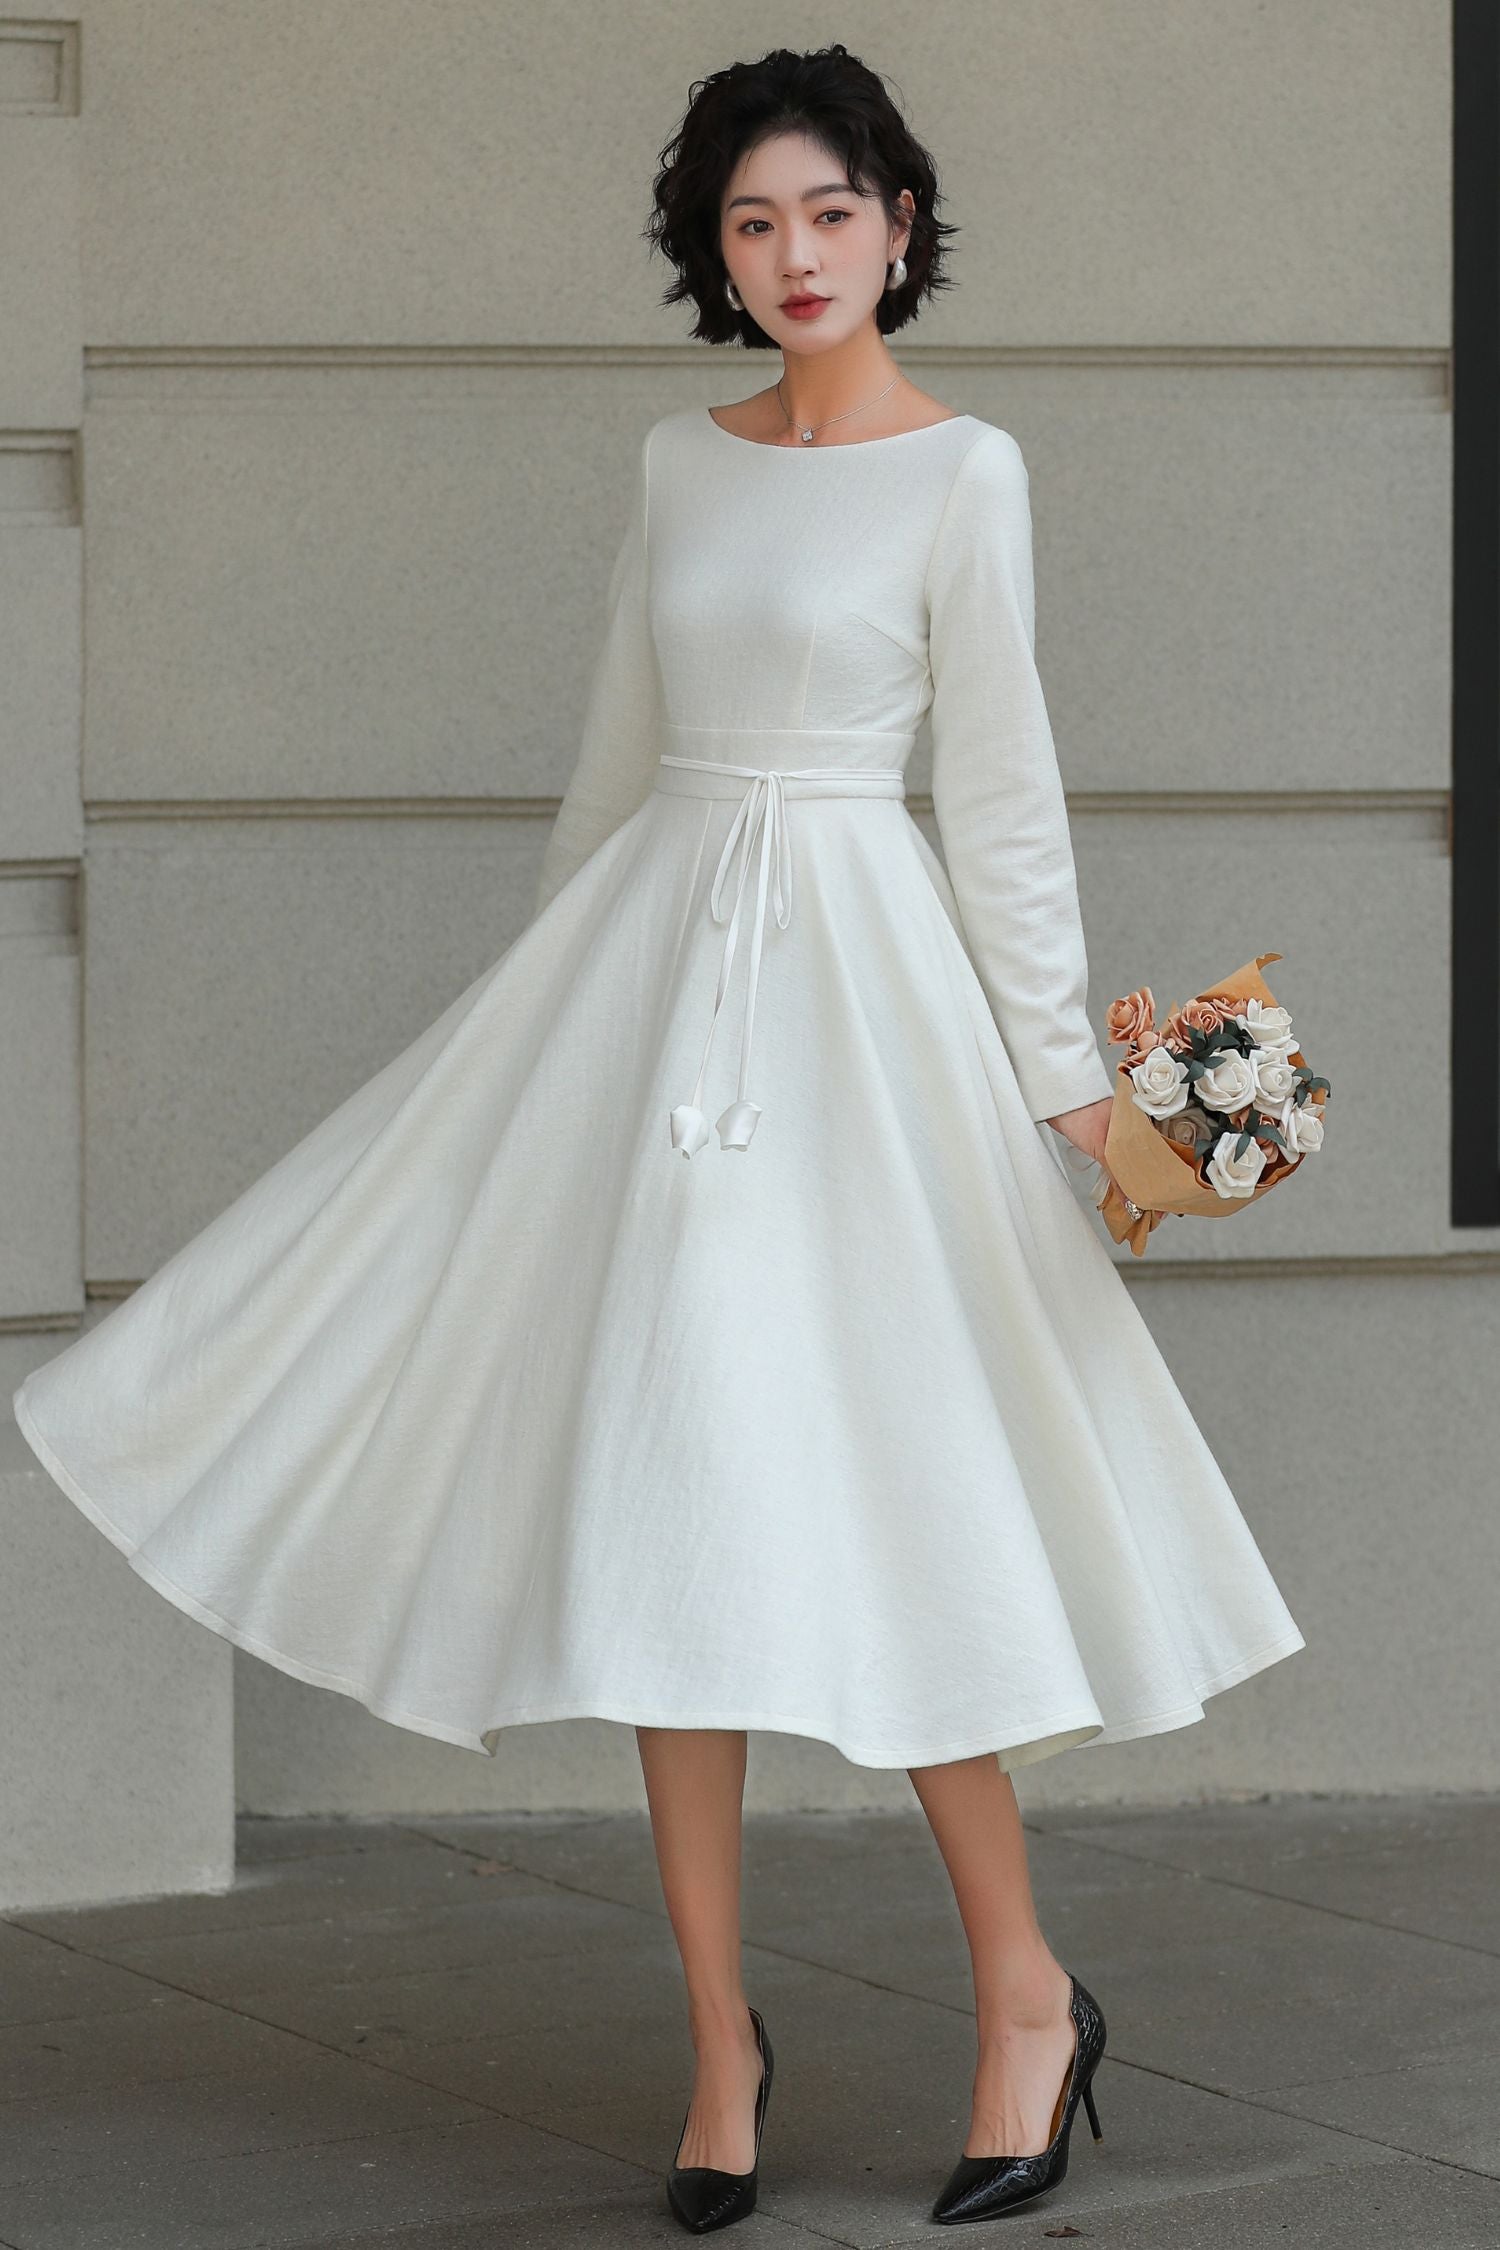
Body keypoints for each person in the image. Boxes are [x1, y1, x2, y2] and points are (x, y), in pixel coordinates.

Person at [12, 39, 1306, 2238]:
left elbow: (997, 805)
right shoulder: (676, 467)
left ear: (900, 221)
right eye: (750, 222)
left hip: (858, 1015)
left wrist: (1075, 1098)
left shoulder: (965, 474)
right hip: (654, 1008)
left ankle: (1024, 1997)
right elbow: (619, 773)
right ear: (714, 252)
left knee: (899, 1502)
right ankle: (721, 2042)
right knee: (659, 1524)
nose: (793, 255)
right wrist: (532, 1054)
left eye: (828, 211)